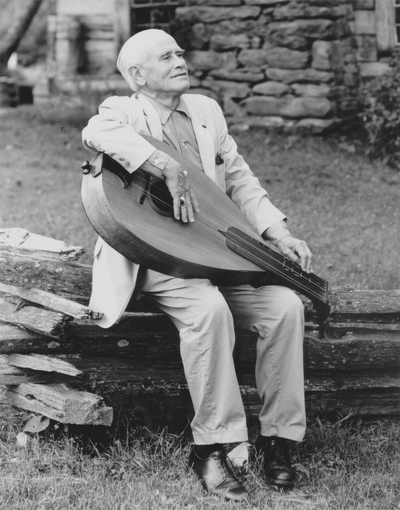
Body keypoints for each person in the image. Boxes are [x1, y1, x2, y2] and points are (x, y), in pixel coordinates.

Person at [82, 29, 313, 502]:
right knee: (208, 310)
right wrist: (161, 163)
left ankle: (279, 440)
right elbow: (95, 132)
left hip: (216, 255)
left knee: (285, 306)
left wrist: (278, 233)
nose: (180, 59)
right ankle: (215, 445)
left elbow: (241, 179)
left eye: (180, 52)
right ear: (137, 75)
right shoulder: (122, 110)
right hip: (158, 259)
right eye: (166, 56)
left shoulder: (205, 110)